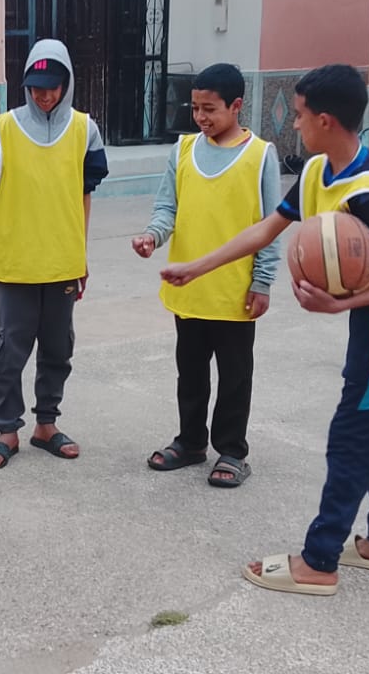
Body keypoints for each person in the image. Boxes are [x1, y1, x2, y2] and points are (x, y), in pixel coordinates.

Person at [160, 64, 369, 596]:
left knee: (356, 430)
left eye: (299, 115)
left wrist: (343, 304)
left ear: (326, 120)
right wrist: (196, 267)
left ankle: (319, 561)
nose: (294, 124)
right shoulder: (317, 171)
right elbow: (265, 229)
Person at [0, 39, 109, 470]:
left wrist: (80, 254)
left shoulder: (85, 130)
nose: (44, 95)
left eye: (52, 87)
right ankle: (6, 429)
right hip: (17, 264)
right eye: (36, 88)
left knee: (58, 350)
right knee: (9, 352)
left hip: (62, 263)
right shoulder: (5, 128)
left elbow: (85, 194)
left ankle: (46, 425)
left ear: (67, 83)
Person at [132, 64, 282, 488]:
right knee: (191, 373)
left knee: (235, 377)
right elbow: (168, 207)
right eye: (195, 107)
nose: (200, 116)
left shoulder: (260, 155)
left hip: (235, 294)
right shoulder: (183, 150)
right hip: (189, 290)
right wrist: (152, 236)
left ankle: (232, 451)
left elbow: (272, 225)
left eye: (210, 109)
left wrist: (262, 281)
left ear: (236, 106)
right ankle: (191, 442)